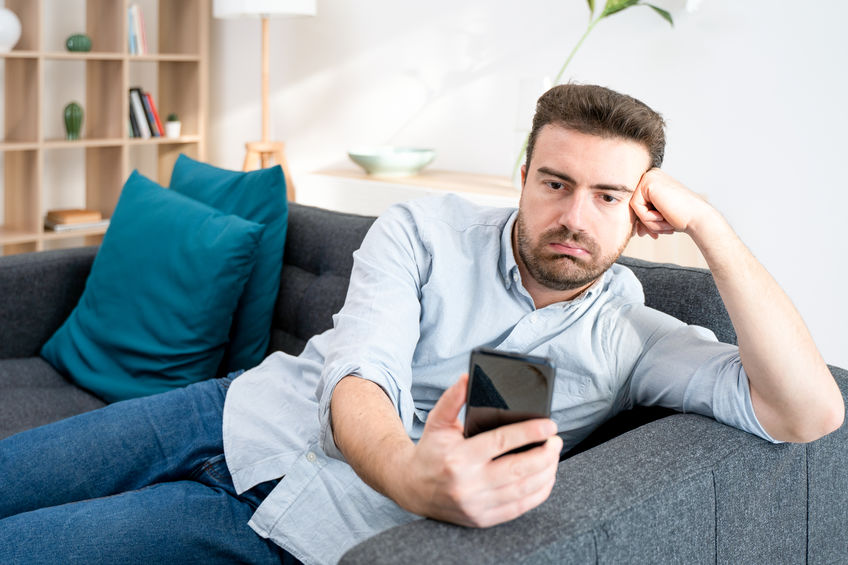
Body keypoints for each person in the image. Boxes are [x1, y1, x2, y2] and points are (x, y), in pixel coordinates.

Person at [0, 84, 843, 564]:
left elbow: (812, 413)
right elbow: (361, 367)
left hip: (290, 525)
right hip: (232, 411)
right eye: (554, 182)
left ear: (644, 209)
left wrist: (712, 229)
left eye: (609, 195)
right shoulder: (423, 230)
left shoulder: (635, 337)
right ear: (522, 175)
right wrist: (410, 473)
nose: (573, 215)